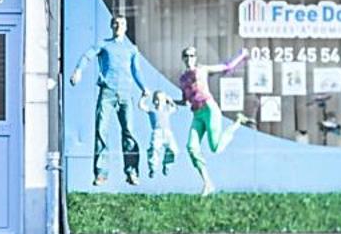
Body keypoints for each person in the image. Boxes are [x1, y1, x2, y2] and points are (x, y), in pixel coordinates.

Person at [68, 14, 169, 185]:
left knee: (128, 131)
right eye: (115, 23)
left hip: (125, 93)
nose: (118, 26)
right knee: (101, 130)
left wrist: (144, 87)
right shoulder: (104, 44)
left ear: (126, 27)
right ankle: (101, 173)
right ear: (111, 26)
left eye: (121, 24)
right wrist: (78, 71)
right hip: (107, 92)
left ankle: (132, 172)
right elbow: (87, 56)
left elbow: (136, 71)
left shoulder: (131, 49)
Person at [171, 45, 250, 196]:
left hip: (209, 110)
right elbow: (185, 101)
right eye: (186, 56)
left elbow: (226, 67)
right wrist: (171, 101)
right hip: (197, 114)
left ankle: (238, 123)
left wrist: (241, 56)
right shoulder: (182, 79)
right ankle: (208, 183)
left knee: (216, 148)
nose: (189, 58)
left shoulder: (202, 69)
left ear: (196, 57)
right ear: (183, 58)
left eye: (192, 55)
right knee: (191, 147)